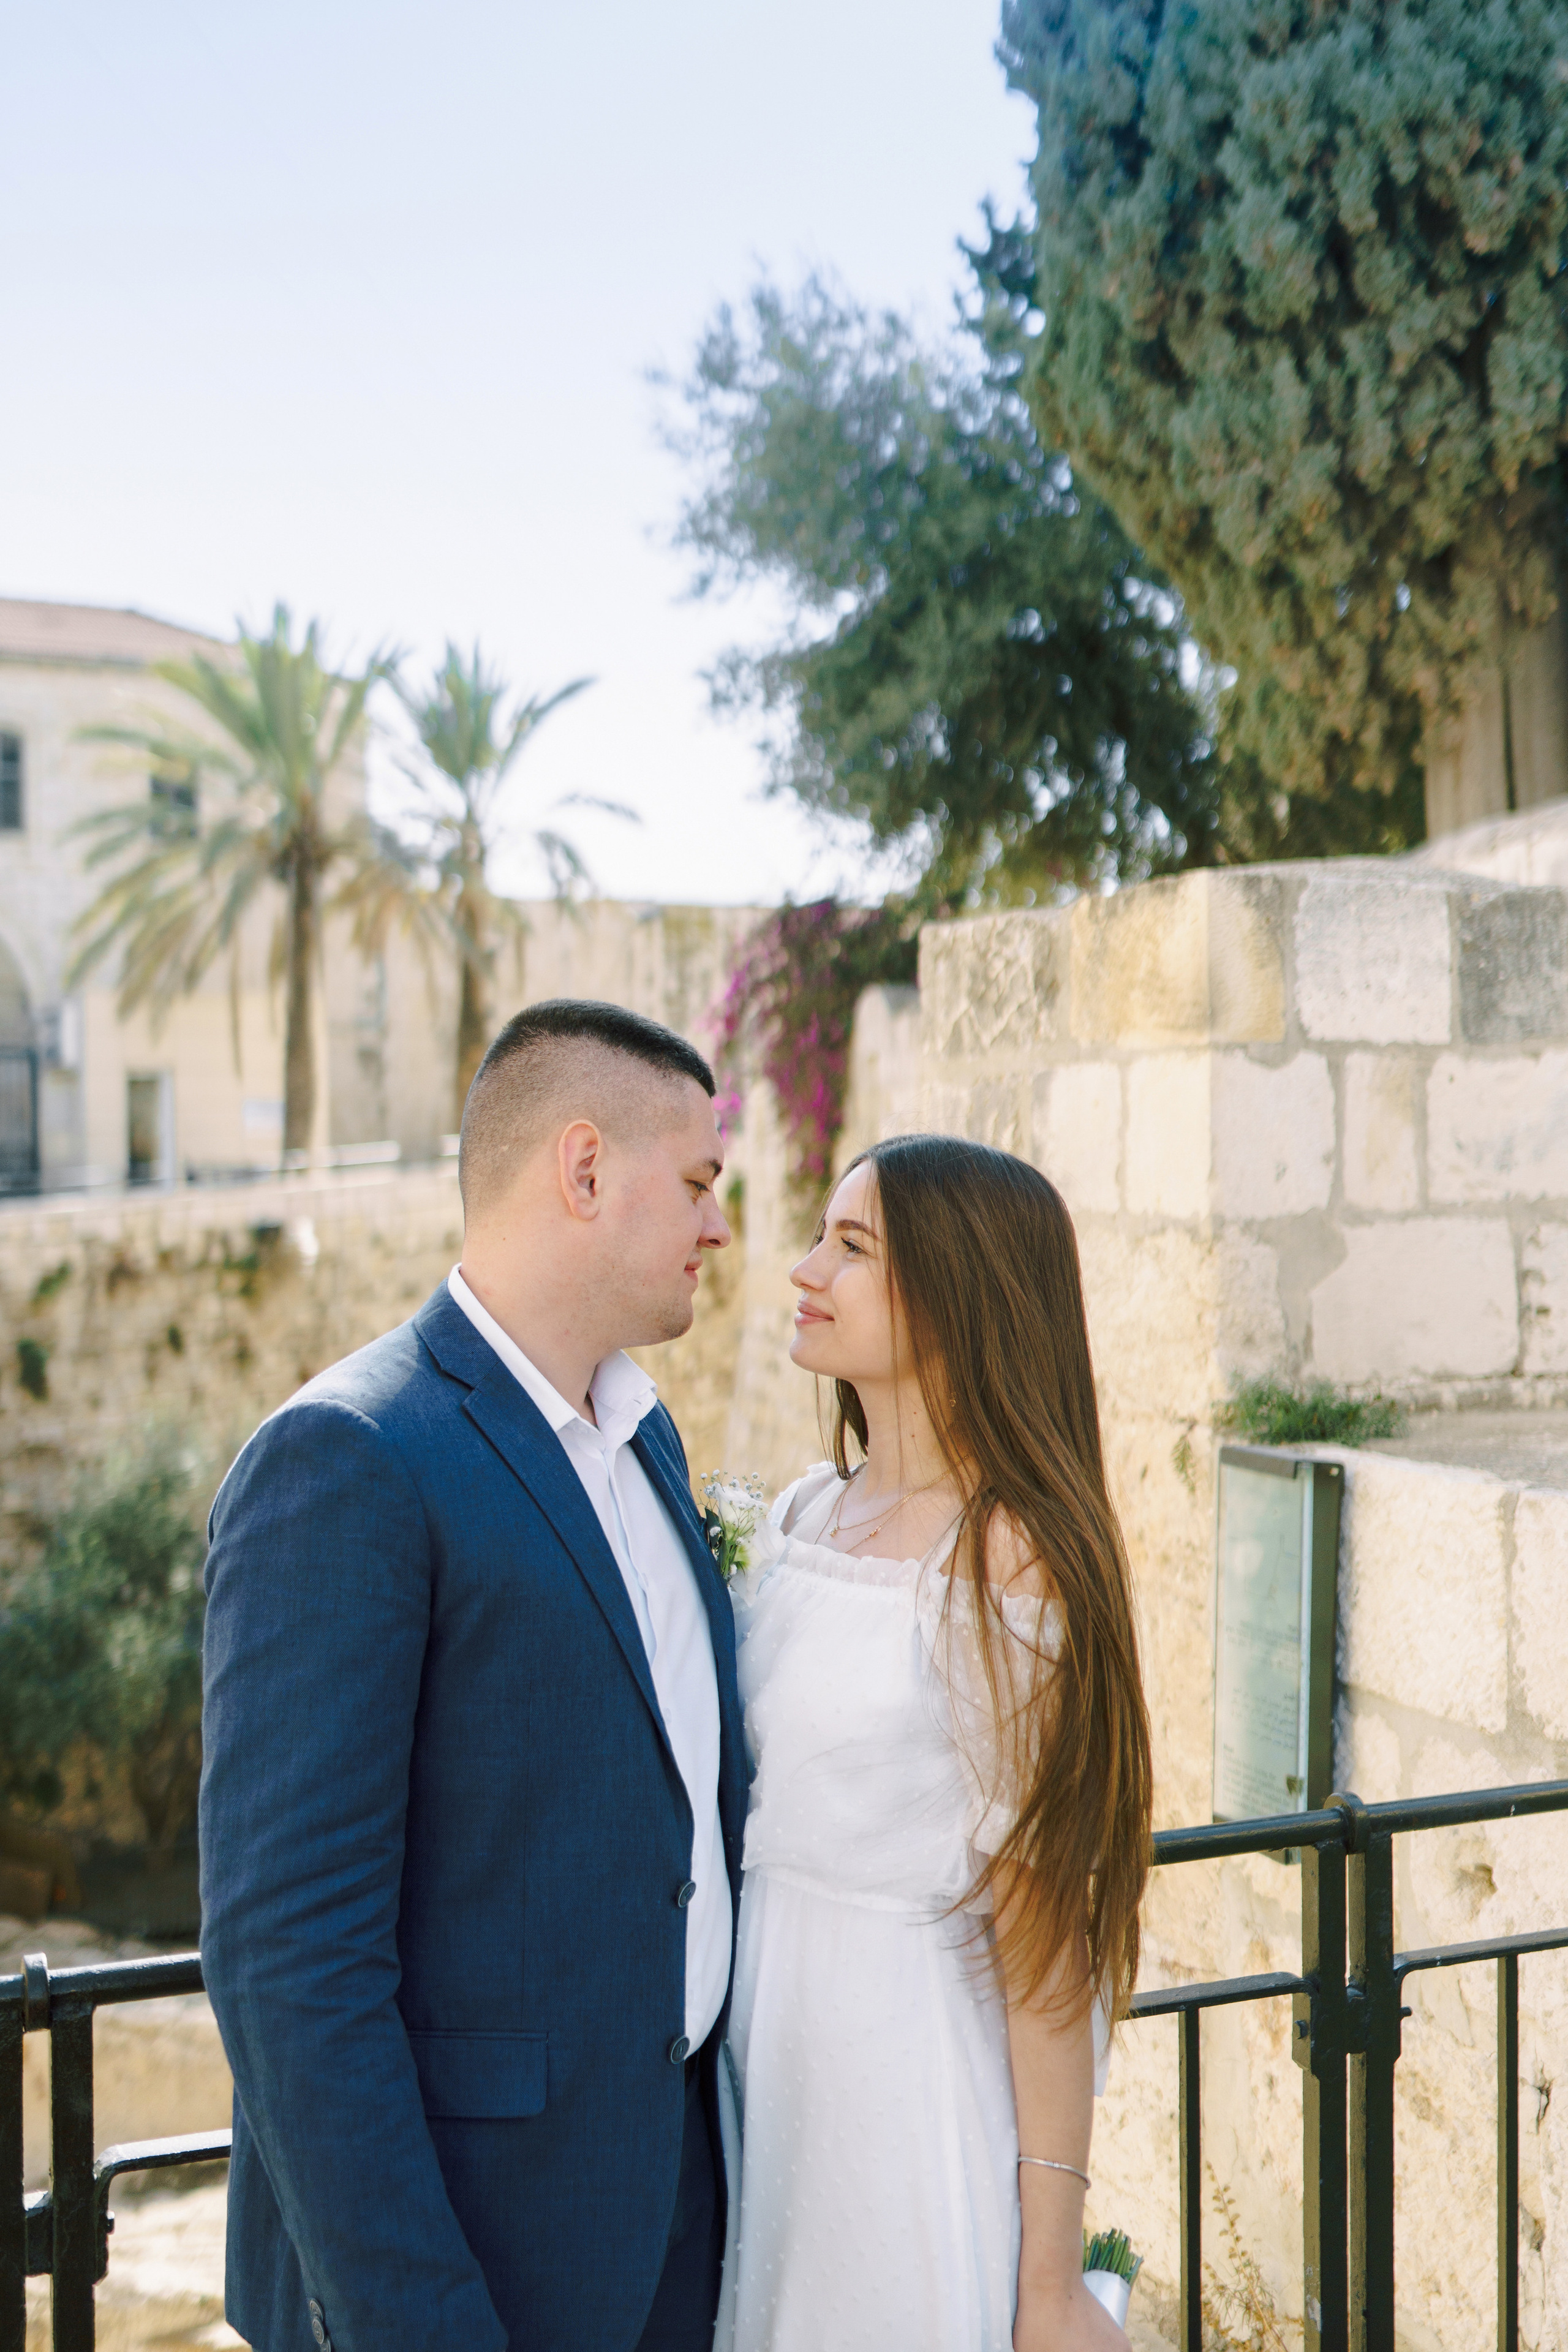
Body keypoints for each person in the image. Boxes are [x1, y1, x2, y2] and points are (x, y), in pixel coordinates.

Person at [199, 999, 748, 2352]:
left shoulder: (648, 1442)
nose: (717, 1228)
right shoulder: (348, 1456)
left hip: (674, 2227)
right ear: (580, 1171)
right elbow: (287, 1959)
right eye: (694, 1183)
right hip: (470, 2263)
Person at [717, 1135, 1153, 2352]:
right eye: (820, 1237)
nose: (806, 1270)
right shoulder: (806, 1513)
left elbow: (1042, 1946)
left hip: (902, 2073)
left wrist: (1048, 2280)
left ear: (960, 1294)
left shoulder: (1001, 1556)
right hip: (769, 2062)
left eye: (851, 1249)